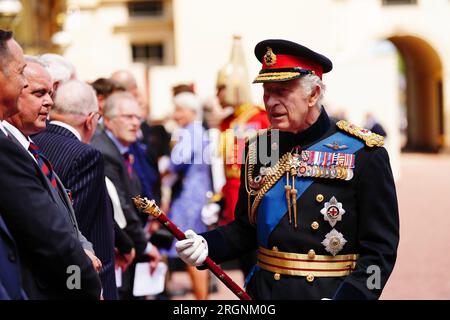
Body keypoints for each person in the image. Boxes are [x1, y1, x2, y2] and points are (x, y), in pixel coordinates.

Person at [175, 39, 400, 300]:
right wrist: (206, 244)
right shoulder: (260, 148)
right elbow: (247, 228)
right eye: (267, 92)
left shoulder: (363, 152)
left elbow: (380, 250)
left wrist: (353, 297)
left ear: (313, 94)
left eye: (282, 91)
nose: (270, 102)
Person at [0, 30, 101, 299]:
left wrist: (82, 252)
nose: (49, 101)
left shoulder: (31, 147)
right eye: (37, 91)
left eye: (51, 92)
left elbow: (69, 226)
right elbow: (49, 238)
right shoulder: (8, 148)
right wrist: (83, 285)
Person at [32, 79, 117, 299]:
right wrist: (87, 286)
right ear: (91, 119)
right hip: (84, 275)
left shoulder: (30, 141)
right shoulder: (85, 155)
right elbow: (77, 225)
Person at [91, 91, 161, 299]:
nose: (135, 123)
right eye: (128, 117)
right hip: (118, 248)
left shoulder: (122, 149)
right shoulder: (105, 151)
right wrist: (145, 245)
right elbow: (122, 205)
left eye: (138, 117)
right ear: (109, 121)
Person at [163, 92, 212, 300]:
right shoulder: (196, 131)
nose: (176, 114)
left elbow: (176, 162)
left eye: (179, 109)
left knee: (193, 249)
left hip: (190, 198)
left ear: (192, 111)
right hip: (195, 194)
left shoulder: (190, 133)